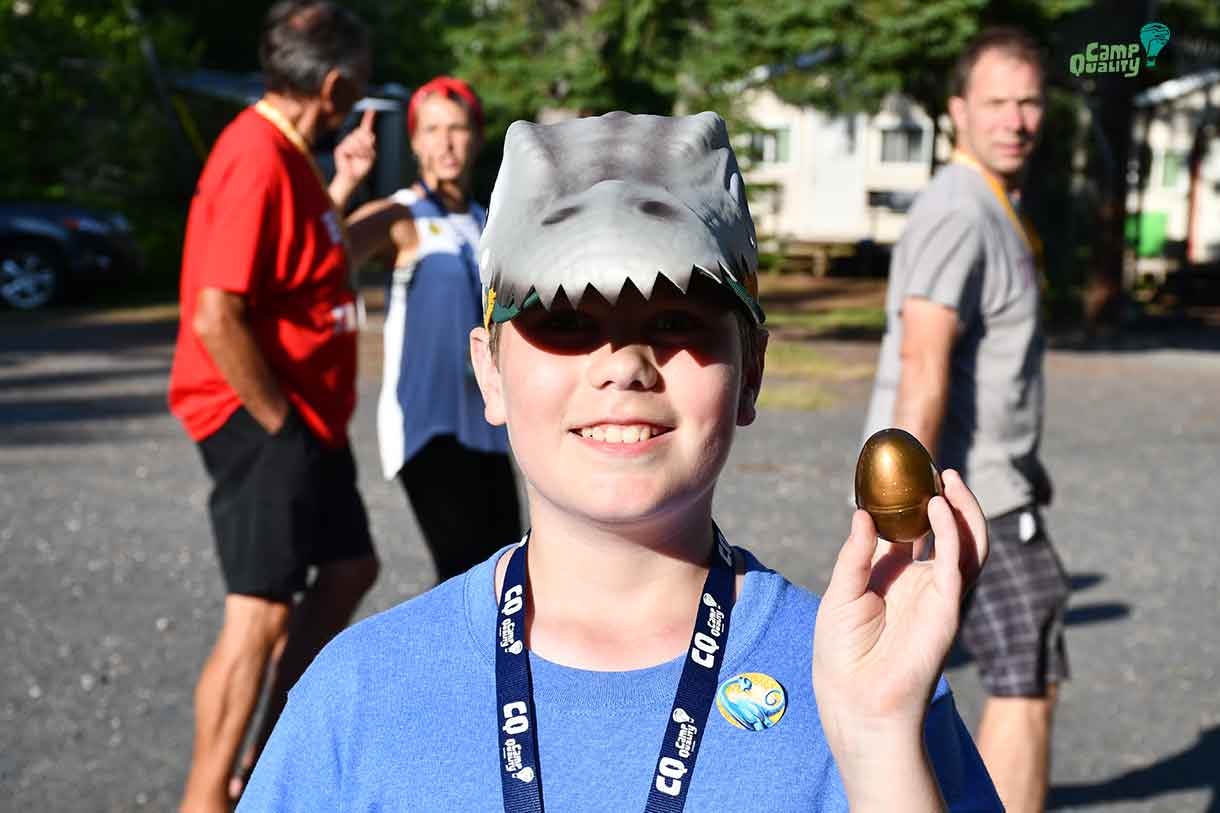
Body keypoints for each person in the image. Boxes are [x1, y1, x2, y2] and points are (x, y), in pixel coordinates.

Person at [238, 110, 1002, 811]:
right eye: (565, 320)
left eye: (676, 318)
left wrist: (876, 746)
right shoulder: (361, 693)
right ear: (490, 372)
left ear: (753, 370)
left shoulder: (868, 680)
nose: (625, 364)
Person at [167, 3, 380, 811]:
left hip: (305, 424)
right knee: (257, 613)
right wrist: (280, 427)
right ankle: (203, 799)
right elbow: (215, 314)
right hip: (264, 420)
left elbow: (310, 259)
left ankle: (267, 762)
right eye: (355, 86)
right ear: (331, 82)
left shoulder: (295, 159)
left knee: (351, 566)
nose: (358, 102)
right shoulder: (254, 156)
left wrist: (353, 190)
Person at [859, 27, 1068, 813]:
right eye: (997, 103)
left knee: (903, 687)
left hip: (981, 490)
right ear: (958, 112)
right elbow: (922, 367)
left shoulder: (987, 203)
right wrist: (902, 521)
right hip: (970, 500)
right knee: (1025, 681)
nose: (1017, 119)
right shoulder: (960, 211)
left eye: (1030, 101)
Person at [347, 77, 520, 584]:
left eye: (458, 128)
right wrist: (342, 186)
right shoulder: (404, 215)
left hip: (486, 426)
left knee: (507, 576)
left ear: (477, 137)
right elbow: (327, 255)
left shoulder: (491, 223)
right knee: (462, 574)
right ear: (415, 140)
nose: (445, 142)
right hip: (429, 425)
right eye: (432, 129)